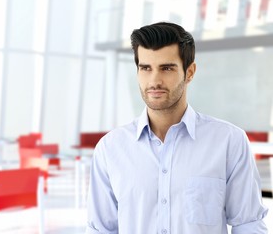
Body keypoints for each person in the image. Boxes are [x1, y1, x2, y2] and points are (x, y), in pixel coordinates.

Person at [85, 22, 268, 234]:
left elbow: (249, 224)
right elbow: (101, 230)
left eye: (167, 68)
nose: (154, 80)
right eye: (146, 68)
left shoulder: (229, 141)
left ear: (189, 72)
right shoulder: (111, 149)